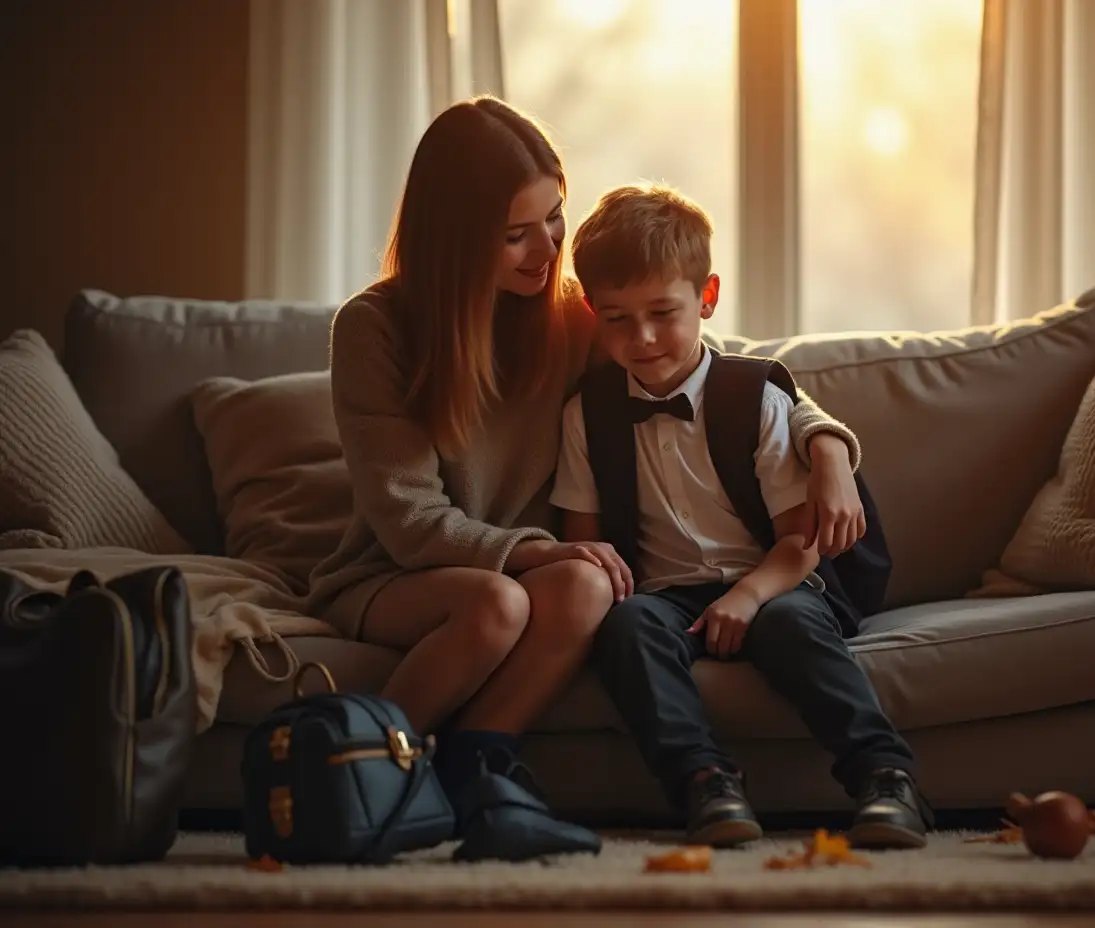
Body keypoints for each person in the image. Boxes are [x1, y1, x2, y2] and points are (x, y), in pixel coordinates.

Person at [307, 96, 870, 823]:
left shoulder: (569, 316)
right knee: (499, 602)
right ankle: (358, 775)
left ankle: (479, 762)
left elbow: (714, 366)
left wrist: (826, 444)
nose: (546, 250)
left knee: (586, 587)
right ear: (454, 237)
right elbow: (409, 520)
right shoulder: (375, 328)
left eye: (553, 218)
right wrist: (537, 553)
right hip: (395, 573)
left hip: (540, 573)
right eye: (516, 234)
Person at [550, 182, 933, 850]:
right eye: (615, 318)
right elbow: (586, 545)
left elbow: (801, 542)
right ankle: (705, 782)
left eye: (662, 312)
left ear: (707, 297)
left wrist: (747, 596)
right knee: (632, 627)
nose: (640, 338)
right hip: (663, 597)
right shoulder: (587, 412)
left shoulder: (754, 398)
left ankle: (885, 775)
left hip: (776, 578)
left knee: (789, 625)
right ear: (591, 311)